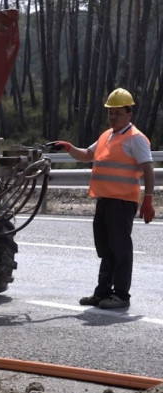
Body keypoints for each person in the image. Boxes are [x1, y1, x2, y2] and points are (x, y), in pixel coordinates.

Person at [51, 88, 155, 309]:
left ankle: (121, 295)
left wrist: (148, 198)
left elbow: (148, 168)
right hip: (105, 200)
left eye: (117, 113)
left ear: (129, 113)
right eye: (110, 112)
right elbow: (87, 155)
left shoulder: (135, 138)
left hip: (122, 202)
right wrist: (69, 148)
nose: (113, 117)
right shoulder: (106, 136)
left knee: (121, 249)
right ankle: (103, 292)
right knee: (106, 249)